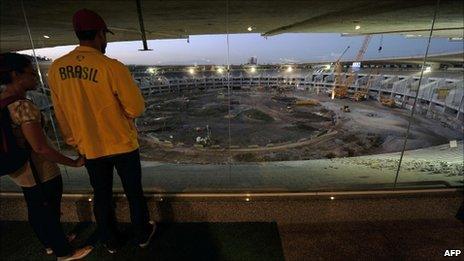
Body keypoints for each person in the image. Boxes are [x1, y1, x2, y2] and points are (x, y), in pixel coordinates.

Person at [47, 9, 155, 254]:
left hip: (90, 148)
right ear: (99, 34)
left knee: (102, 195)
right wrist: (123, 115)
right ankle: (141, 234)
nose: (105, 41)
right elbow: (136, 108)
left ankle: (110, 240)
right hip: (122, 144)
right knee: (133, 192)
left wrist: (75, 142)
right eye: (104, 35)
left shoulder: (56, 69)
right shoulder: (111, 67)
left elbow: (60, 113)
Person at [0, 52, 93, 261]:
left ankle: (51, 243)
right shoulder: (23, 107)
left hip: (21, 171)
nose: (36, 78)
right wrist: (73, 162)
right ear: (16, 74)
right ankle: (64, 252)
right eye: (32, 73)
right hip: (39, 170)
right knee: (48, 211)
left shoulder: (3, 100)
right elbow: (41, 147)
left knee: (36, 209)